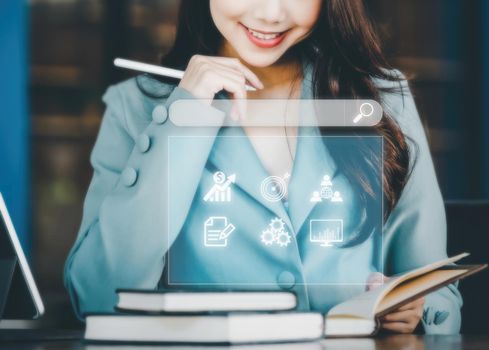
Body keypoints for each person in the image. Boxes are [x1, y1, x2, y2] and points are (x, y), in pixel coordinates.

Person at [64, 0, 462, 334]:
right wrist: (186, 113)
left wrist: (412, 307)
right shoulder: (137, 109)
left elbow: (439, 294)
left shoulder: (383, 101)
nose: (271, 14)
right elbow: (96, 296)